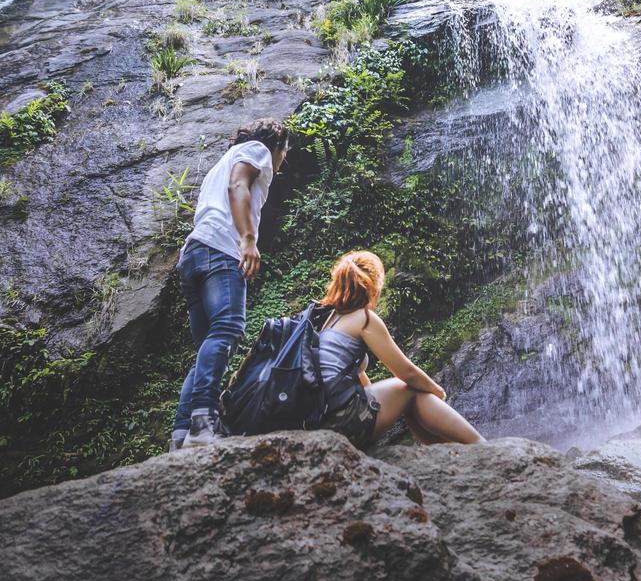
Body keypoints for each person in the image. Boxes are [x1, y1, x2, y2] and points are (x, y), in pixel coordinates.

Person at [173, 118, 289, 448]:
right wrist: (248, 239)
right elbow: (238, 186)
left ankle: (181, 435)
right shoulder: (258, 151)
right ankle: (202, 423)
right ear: (276, 145)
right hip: (220, 250)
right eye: (285, 152)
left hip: (193, 253)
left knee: (206, 350)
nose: (283, 161)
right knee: (228, 327)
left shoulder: (219, 164)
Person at [315, 251, 484, 449]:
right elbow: (406, 372)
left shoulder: (329, 321)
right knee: (410, 389)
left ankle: (443, 452)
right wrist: (438, 392)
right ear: (372, 286)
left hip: (325, 420)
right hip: (342, 423)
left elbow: (360, 380)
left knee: (408, 398)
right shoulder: (364, 318)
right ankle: (482, 448)